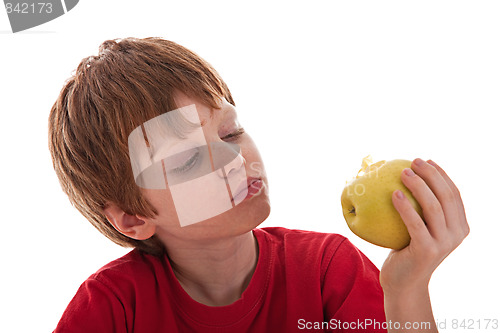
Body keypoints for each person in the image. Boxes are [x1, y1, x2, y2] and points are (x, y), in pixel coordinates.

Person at [49, 37, 469, 332]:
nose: (234, 159)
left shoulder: (326, 269)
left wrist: (405, 288)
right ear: (132, 218)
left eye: (231, 132)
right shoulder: (112, 308)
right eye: (189, 159)